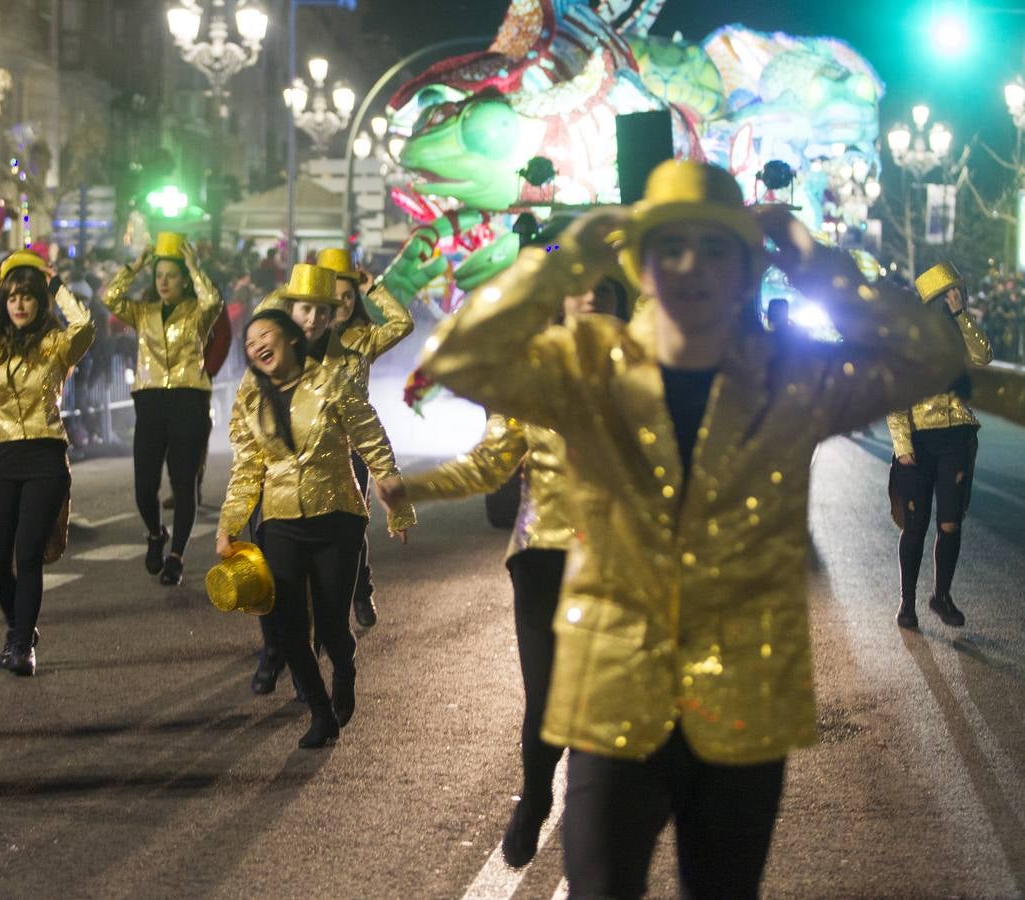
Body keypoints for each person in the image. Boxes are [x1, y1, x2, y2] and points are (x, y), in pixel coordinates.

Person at [418, 160, 966, 898]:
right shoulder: (588, 364)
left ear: (747, 272)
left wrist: (812, 259)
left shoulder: (792, 375)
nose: (691, 267)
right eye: (669, 247)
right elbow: (456, 356)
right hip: (612, 699)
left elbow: (933, 354)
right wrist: (568, 252)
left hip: (745, 702)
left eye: (716, 249)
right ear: (640, 267)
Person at [377, 276, 628, 869]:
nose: (589, 297)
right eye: (580, 289)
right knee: (545, 698)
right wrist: (413, 486)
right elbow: (488, 466)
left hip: (621, 560)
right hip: (542, 555)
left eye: (605, 293)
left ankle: (599, 822)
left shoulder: (649, 379)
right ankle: (536, 798)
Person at [218, 274, 415, 749]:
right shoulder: (250, 398)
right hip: (281, 519)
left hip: (337, 516)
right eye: (250, 343)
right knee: (289, 626)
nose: (258, 347)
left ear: (290, 339)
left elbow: (370, 437)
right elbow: (247, 468)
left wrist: (395, 497)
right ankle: (320, 711)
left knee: (329, 623)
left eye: (267, 337)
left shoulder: (333, 382)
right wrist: (229, 524)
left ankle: (344, 668)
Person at [0, 250, 95, 676]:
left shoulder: (56, 346)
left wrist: (56, 286)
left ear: (39, 301)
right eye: (12, 297)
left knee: (26, 554)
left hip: (45, 454)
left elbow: (85, 327)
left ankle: (20, 643)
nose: (19, 304)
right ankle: (20, 627)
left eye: (28, 296)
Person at [103, 232, 222, 587]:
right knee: (144, 487)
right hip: (151, 400)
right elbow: (111, 296)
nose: (164, 281)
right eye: (159, 276)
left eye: (172, 275)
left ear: (185, 279)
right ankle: (156, 534)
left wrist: (193, 265)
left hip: (189, 398)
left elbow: (213, 299)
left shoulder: (197, 312)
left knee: (184, 484)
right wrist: (137, 264)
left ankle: (176, 557)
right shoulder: (143, 312)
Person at [887, 262, 993, 629]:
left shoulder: (962, 335)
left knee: (950, 523)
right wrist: (903, 446)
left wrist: (963, 315)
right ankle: (907, 602)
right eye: (949, 295)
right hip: (918, 440)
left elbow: (984, 356)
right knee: (914, 526)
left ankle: (941, 596)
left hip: (957, 438)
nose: (954, 299)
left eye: (958, 294)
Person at [318, 247, 416, 630]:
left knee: (352, 525)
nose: (342, 302)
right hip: (314, 444)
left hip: (356, 443)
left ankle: (360, 588)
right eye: (334, 296)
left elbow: (402, 323)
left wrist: (374, 287)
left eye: (348, 295)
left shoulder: (365, 338)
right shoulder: (307, 337)